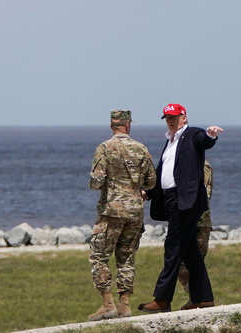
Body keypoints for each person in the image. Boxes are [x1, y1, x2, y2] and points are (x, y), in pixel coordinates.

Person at [139, 103, 223, 313]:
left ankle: (162, 299)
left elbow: (205, 141)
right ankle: (203, 298)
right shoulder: (169, 142)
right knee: (190, 252)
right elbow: (163, 173)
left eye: (175, 117)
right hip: (171, 199)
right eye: (168, 117)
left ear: (184, 117)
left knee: (173, 247)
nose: (171, 120)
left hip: (185, 201)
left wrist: (211, 135)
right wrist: (149, 192)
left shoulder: (192, 134)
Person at [88, 109, 156, 321]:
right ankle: (124, 305)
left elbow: (96, 182)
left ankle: (108, 304)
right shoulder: (141, 148)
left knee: (98, 256)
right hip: (135, 211)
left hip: (112, 211)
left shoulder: (105, 148)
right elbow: (151, 181)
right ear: (128, 125)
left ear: (112, 126)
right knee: (126, 257)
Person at [178, 160, 213, 308]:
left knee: (191, 264)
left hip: (199, 223)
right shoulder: (180, 163)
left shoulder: (202, 164)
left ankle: (200, 299)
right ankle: (197, 298)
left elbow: (205, 193)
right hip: (184, 222)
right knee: (181, 266)